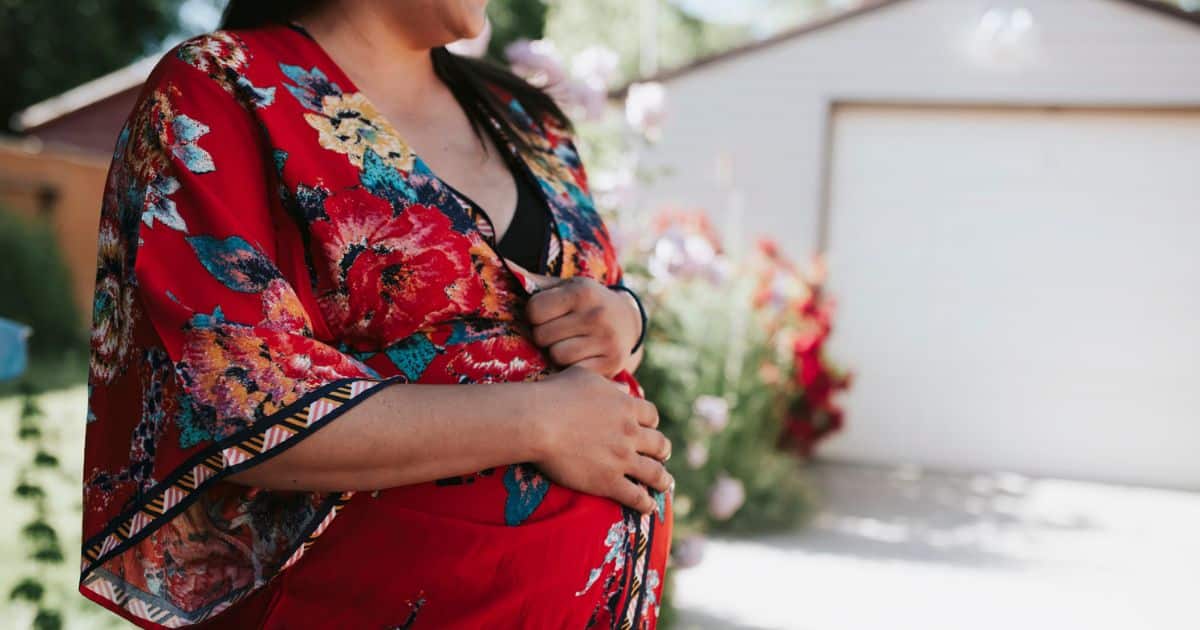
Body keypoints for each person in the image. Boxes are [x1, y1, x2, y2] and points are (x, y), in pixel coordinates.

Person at [79, 1, 673, 627]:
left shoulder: (526, 118)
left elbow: (595, 298)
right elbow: (232, 401)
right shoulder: (223, 86)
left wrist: (624, 321)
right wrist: (539, 421)